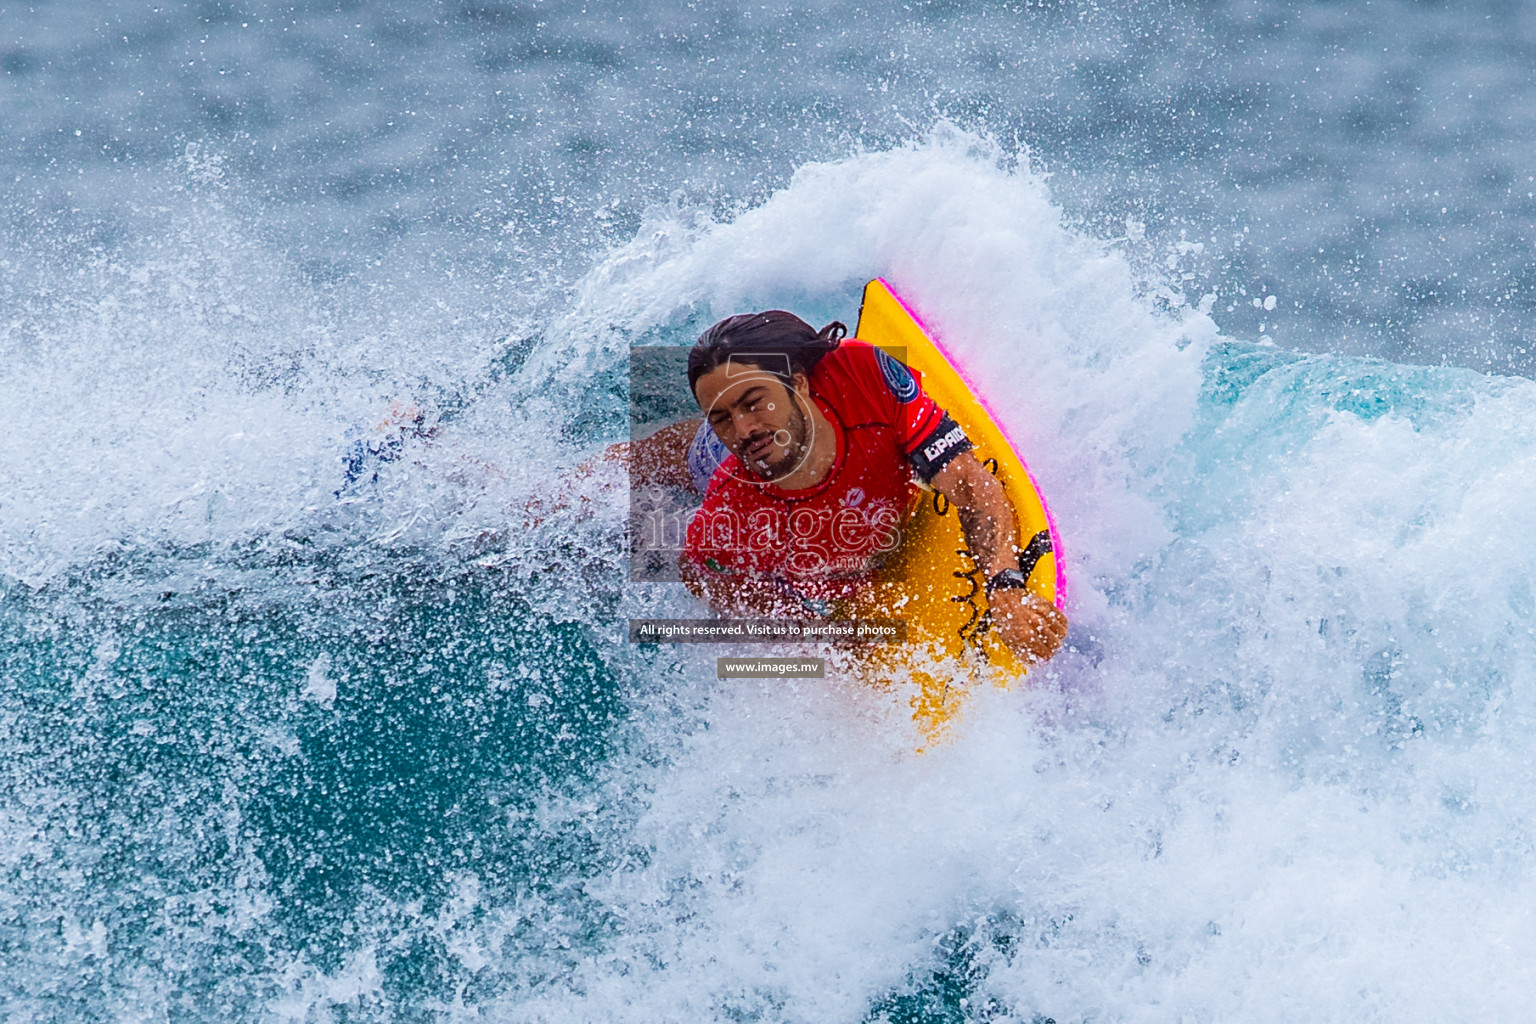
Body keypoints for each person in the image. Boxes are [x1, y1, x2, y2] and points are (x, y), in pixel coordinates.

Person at [676, 310, 1067, 664]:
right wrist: (818, 632)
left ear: (799, 383)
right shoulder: (732, 507)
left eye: (755, 402)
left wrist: (1006, 587)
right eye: (722, 417)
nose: (742, 428)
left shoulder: (862, 374)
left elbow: (966, 481)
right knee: (671, 459)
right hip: (713, 464)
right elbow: (704, 577)